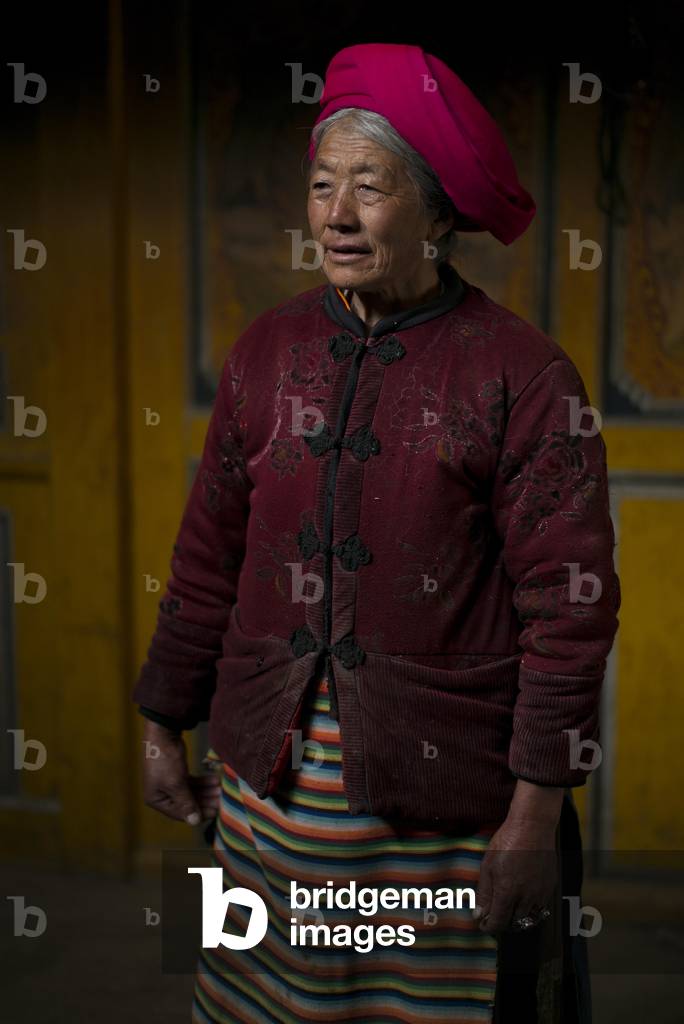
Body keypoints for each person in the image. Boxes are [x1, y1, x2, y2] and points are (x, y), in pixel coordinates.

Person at [133, 43, 621, 1023]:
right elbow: (205, 557)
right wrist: (160, 721)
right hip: (263, 790)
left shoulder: (522, 375)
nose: (338, 215)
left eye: (371, 187)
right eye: (323, 185)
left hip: (436, 803)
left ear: (439, 213)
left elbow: (571, 613)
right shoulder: (265, 352)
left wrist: (536, 808)